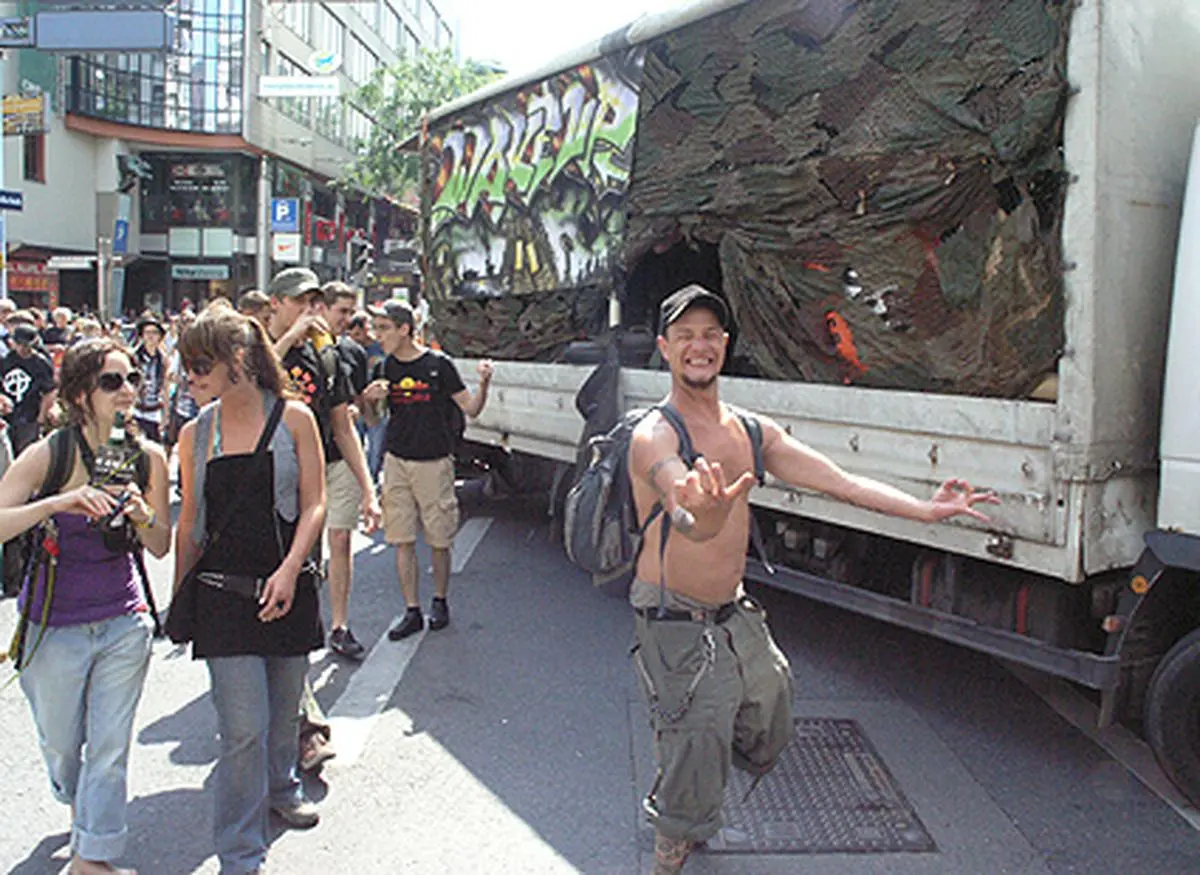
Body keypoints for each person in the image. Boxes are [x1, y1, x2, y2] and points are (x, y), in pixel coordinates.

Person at [627, 284, 999, 874]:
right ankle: (672, 840)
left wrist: (927, 511)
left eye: (709, 335)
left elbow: (843, 484)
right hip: (674, 619)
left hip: (732, 610)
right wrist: (707, 513)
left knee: (770, 710)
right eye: (685, 337)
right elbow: (684, 511)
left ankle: (688, 756)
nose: (698, 347)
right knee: (697, 743)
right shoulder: (656, 434)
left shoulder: (752, 432)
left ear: (724, 345)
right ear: (664, 350)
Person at [0, 337, 171, 875]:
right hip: (53, 626)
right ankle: (83, 815)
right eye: (111, 382)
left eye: (132, 380)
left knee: (109, 747)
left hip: (123, 621)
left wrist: (143, 514)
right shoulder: (50, 453)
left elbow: (162, 544)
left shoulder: (147, 457)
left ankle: (91, 858)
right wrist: (59, 502)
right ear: (79, 393)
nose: (126, 393)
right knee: (64, 747)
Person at [174, 301, 327, 874]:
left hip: (289, 587)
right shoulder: (196, 433)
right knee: (242, 729)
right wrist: (178, 602)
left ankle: (283, 786)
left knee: (284, 709)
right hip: (221, 595)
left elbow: (314, 503)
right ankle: (239, 848)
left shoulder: (294, 419)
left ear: (238, 360)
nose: (190, 377)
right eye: (187, 365)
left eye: (200, 365)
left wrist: (290, 569)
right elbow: (191, 522)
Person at [265, 267, 379, 768]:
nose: (308, 311)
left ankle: (303, 720)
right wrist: (288, 338)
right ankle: (279, 709)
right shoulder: (255, 346)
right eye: (299, 302)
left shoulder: (328, 356)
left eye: (315, 301)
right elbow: (240, 390)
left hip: (320, 478)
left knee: (305, 582)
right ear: (276, 304)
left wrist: (369, 489)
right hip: (266, 483)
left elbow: (342, 425)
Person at [361, 299, 493, 640]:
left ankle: (440, 600)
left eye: (384, 329)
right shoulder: (385, 368)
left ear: (405, 329)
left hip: (434, 461)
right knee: (401, 538)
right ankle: (411, 610)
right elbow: (374, 422)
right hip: (397, 461)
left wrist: (484, 383)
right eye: (377, 329)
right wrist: (368, 402)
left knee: (439, 538)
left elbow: (472, 409)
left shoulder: (438, 365)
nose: (378, 336)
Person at [0, 322, 57, 455]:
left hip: (29, 415)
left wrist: (41, 418)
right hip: (7, 415)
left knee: (24, 453)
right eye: (18, 344)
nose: (22, 348)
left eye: (26, 345)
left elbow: (49, 392)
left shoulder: (41, 363)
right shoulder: (6, 360)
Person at [348, 311, 386, 481]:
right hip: (358, 402)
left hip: (378, 404)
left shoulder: (380, 348)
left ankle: (372, 478)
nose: (354, 338)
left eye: (357, 333)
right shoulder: (351, 349)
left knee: (376, 445)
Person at [131, 315, 168, 442]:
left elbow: (165, 387)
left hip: (154, 413)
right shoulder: (134, 357)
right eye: (147, 332)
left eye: (154, 332)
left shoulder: (163, 359)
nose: (150, 336)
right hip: (136, 411)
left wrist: (166, 415)